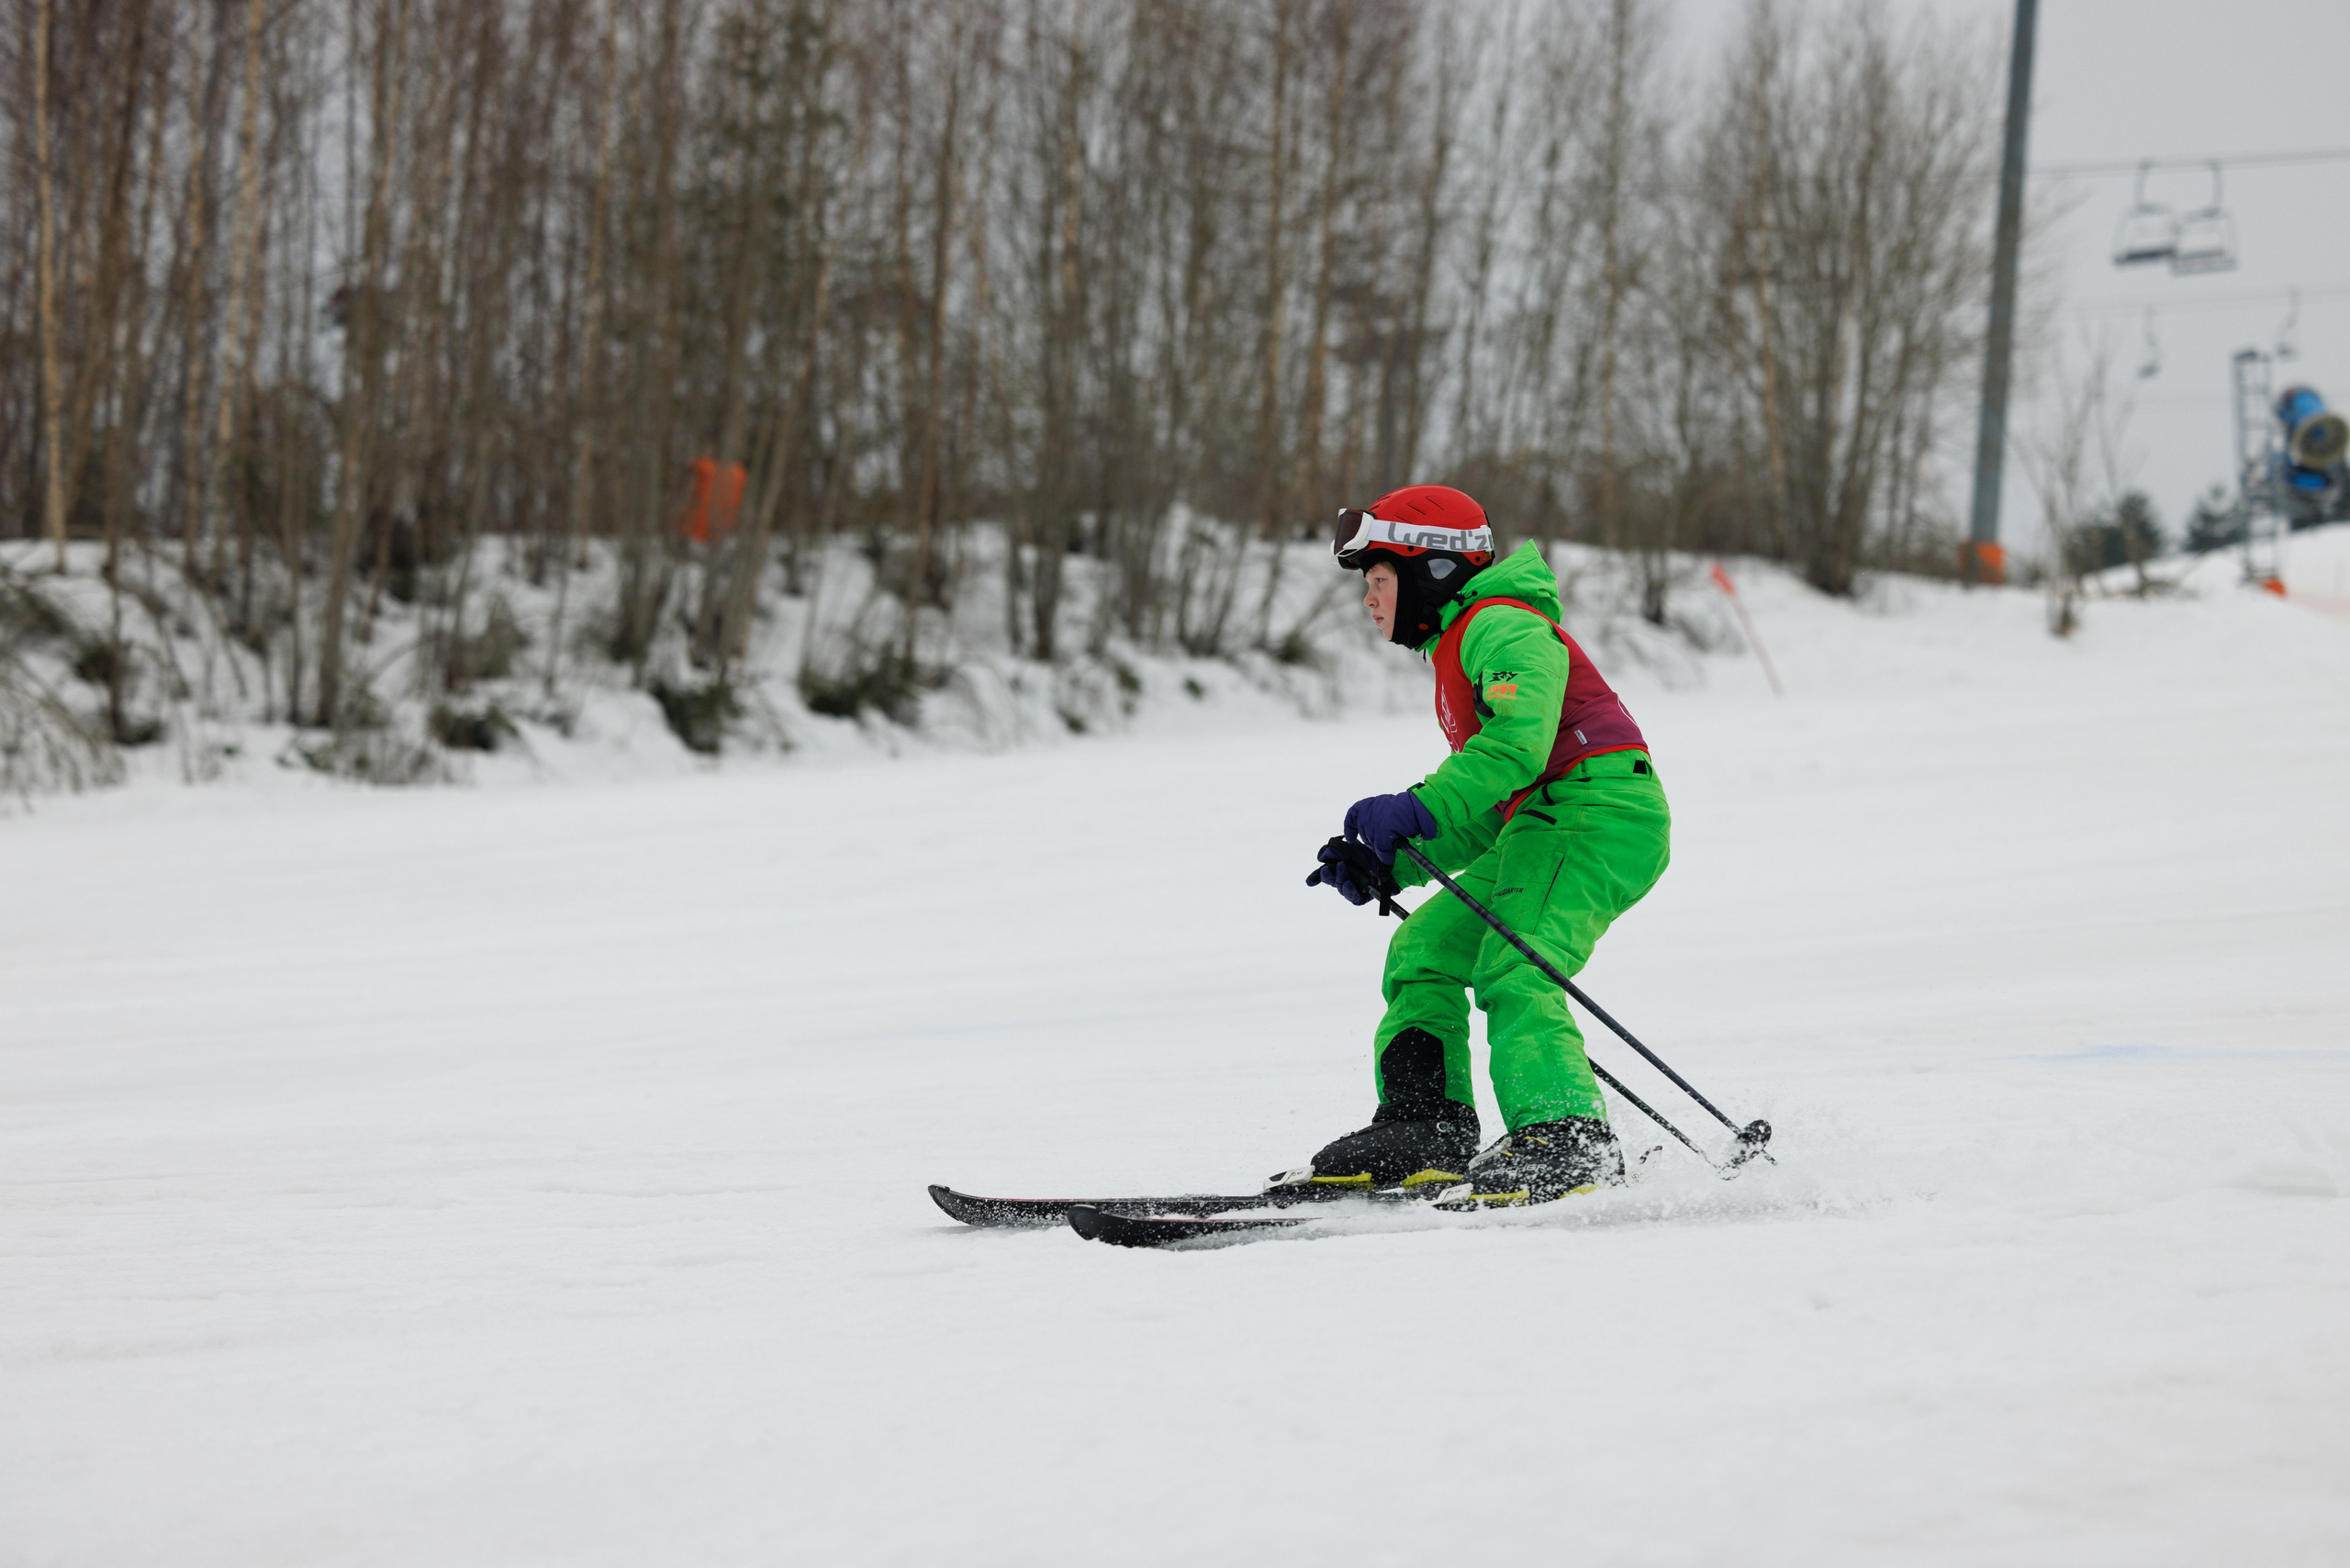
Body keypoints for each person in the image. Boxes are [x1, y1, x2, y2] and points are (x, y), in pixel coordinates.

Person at [1294, 484, 1672, 1206]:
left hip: (1597, 814)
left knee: (1516, 963)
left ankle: (1566, 1141)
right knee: (1426, 948)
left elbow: (1514, 753)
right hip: (1544, 816)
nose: (1369, 601)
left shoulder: (1505, 626)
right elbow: (1501, 800)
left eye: (1378, 581)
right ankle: (1424, 1127)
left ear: (1431, 569)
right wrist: (1393, 860)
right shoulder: (1460, 644)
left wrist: (1416, 807)